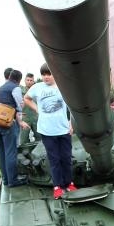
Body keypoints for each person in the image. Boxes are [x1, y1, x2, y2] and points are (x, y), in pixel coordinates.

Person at [24, 63, 76, 199]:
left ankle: (69, 184)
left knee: (66, 158)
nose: (46, 77)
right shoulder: (37, 87)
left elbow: (71, 106)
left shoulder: (63, 86)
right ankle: (58, 186)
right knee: (54, 159)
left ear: (55, 74)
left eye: (49, 74)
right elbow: (26, 99)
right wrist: (37, 109)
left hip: (63, 129)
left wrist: (71, 124)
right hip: (46, 130)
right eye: (43, 74)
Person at [0, 69, 27, 188]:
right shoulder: (15, 88)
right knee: (11, 152)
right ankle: (13, 180)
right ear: (19, 79)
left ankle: (6, 180)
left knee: (2, 153)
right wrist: (21, 118)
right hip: (8, 123)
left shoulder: (0, 89)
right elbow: (19, 105)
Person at [19, 72, 40, 145]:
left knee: (39, 137)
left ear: (33, 81)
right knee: (23, 139)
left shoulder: (37, 90)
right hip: (25, 117)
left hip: (36, 116)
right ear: (25, 81)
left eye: (31, 80)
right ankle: (25, 154)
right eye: (28, 80)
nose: (29, 82)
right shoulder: (20, 91)